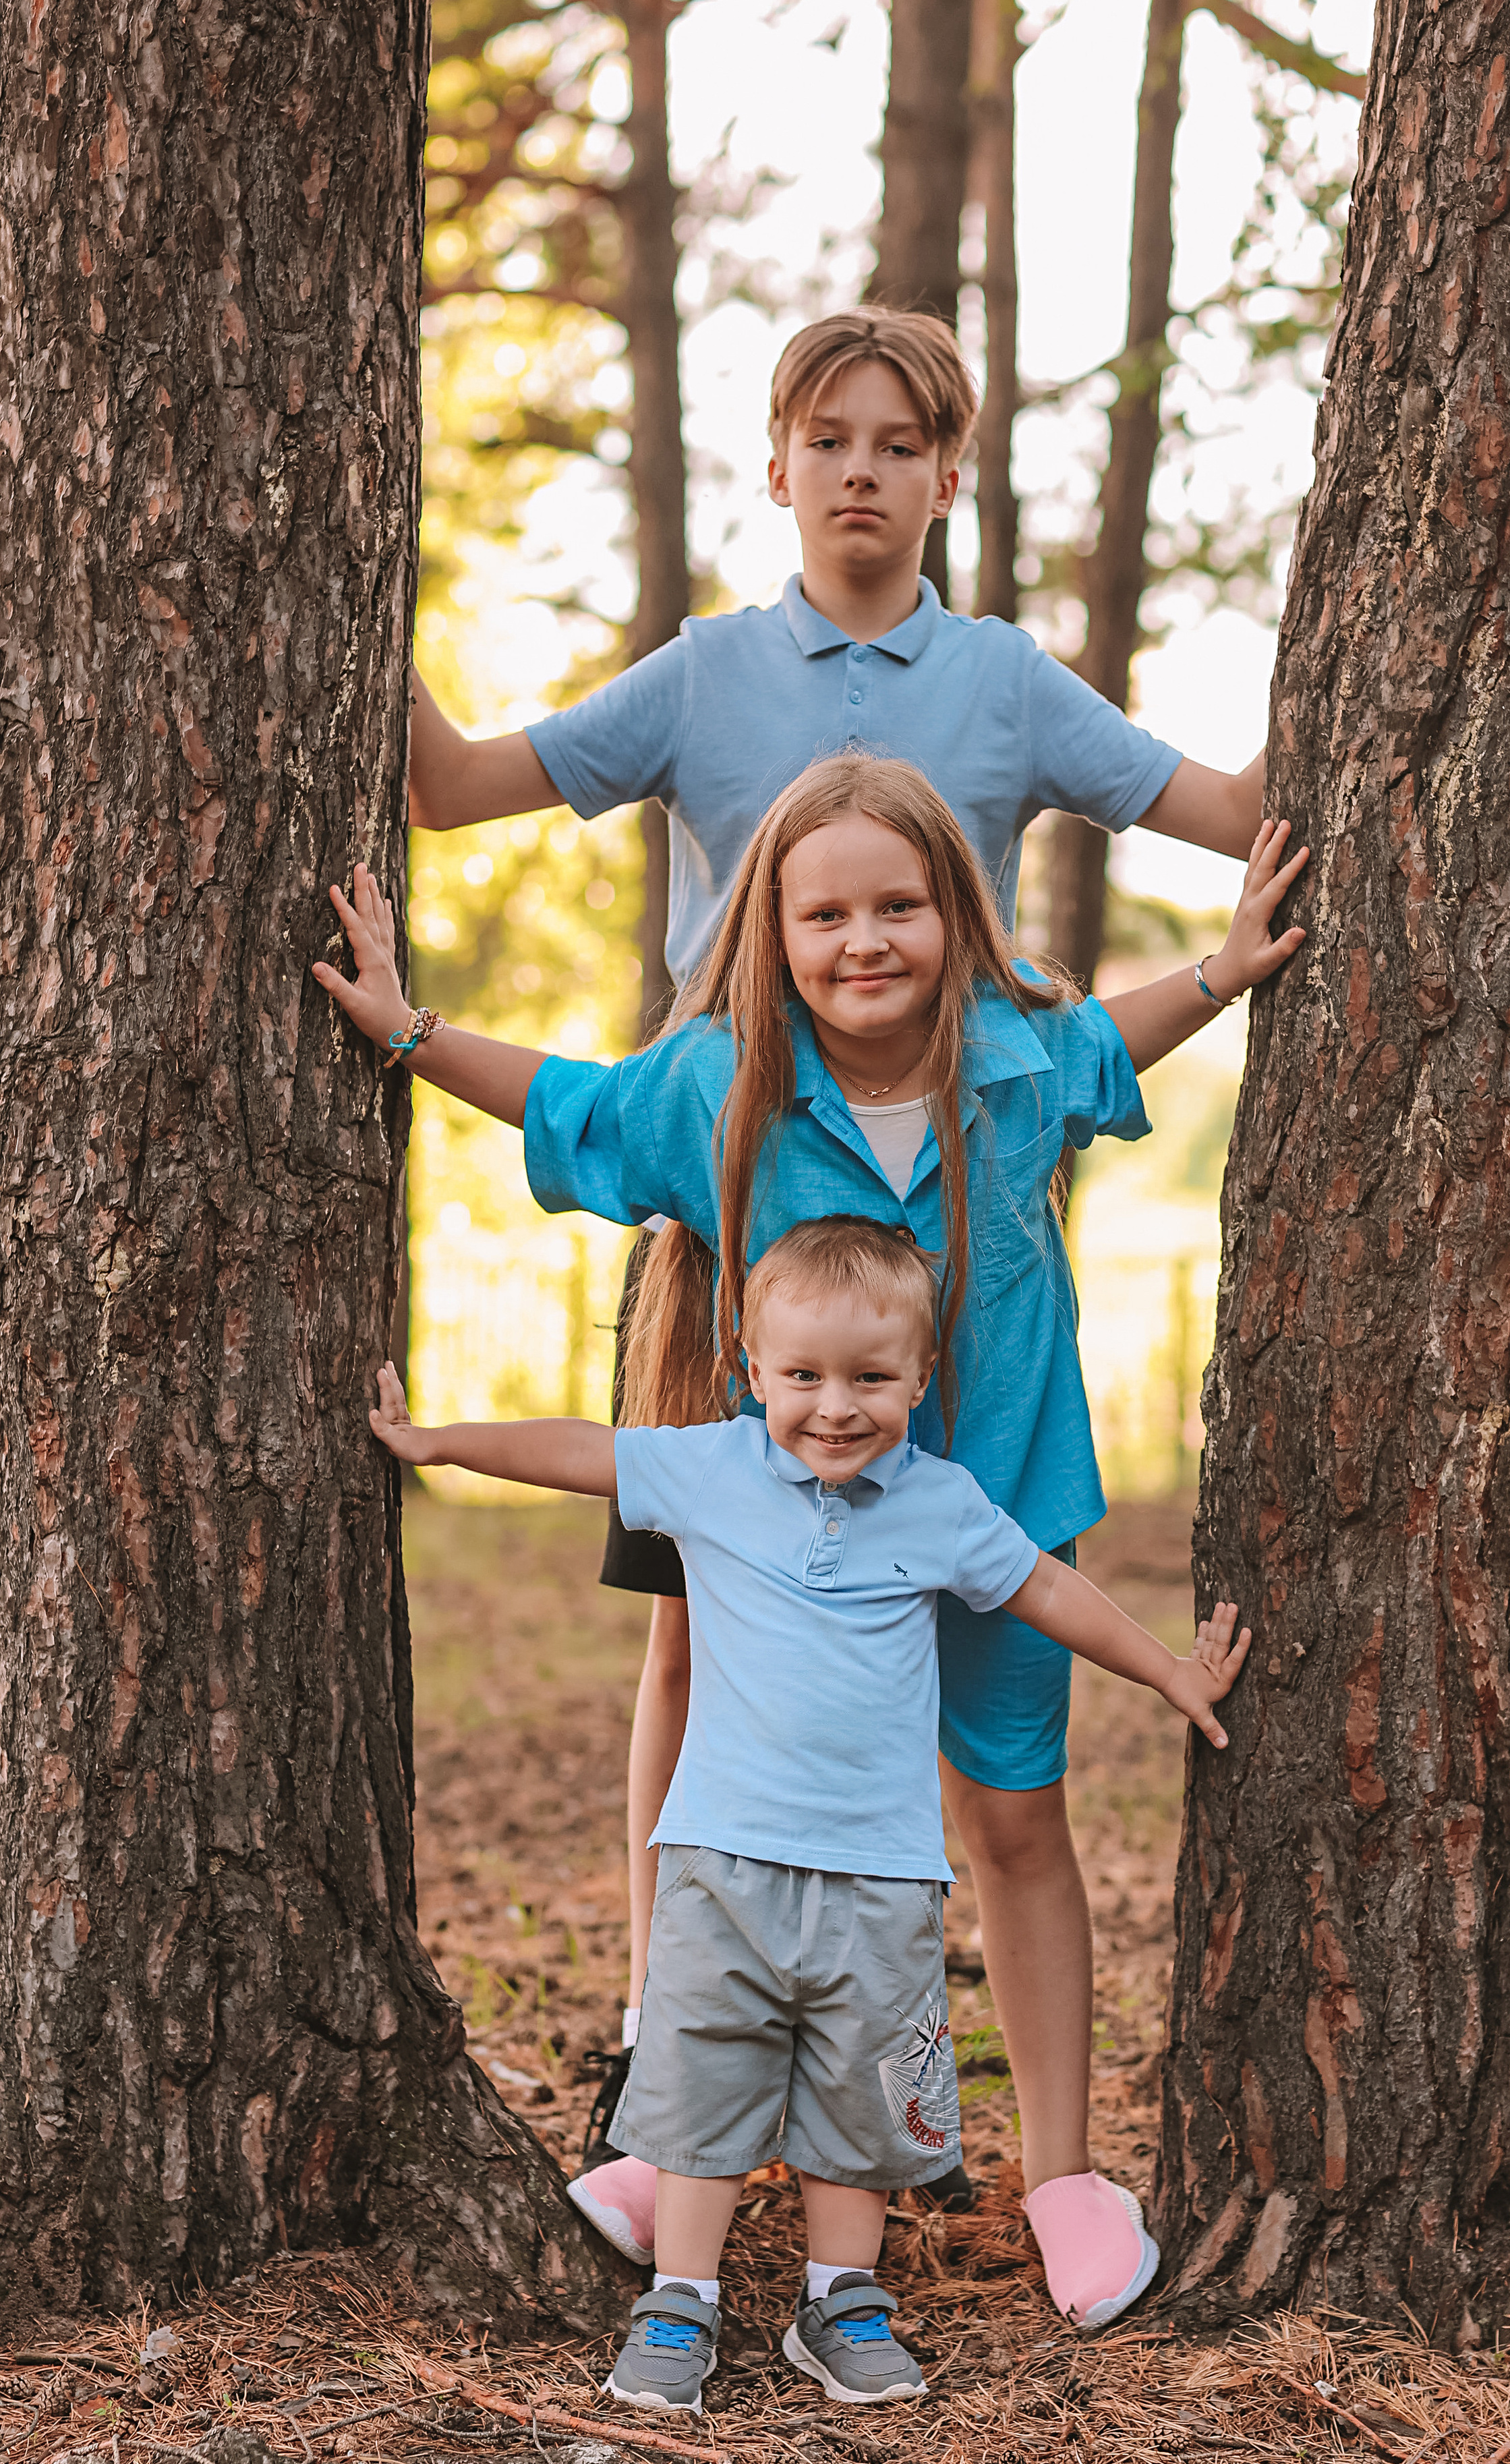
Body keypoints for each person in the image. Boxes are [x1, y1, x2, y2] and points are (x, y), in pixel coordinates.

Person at [403, 307, 1271, 2158]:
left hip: (949, 1216)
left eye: (900, 442)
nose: (863, 469)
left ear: (951, 475)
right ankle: (670, 2035)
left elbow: (1234, 815)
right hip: (729, 1207)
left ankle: (1021, 2144)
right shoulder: (706, 676)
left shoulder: (1011, 686)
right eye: (830, 438)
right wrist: (349, 563)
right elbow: (455, 785)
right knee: (698, 1651)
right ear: (779, 466)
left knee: (970, 1667)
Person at [312, 751, 1306, 2328]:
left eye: (898, 904)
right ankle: (670, 2133)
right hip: (791, 1529)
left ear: (952, 913)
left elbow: (1117, 1047)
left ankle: (1057, 2171)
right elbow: (567, 1101)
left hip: (990, 1507)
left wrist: (1222, 971)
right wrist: (412, 1033)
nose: (865, 940)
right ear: (771, 929)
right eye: (824, 911)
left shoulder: (1019, 1058)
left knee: (1010, 1818)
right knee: (735, 1827)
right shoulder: (722, 1082)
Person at [368, 1215, 1251, 2410]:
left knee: (860, 2097)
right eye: (804, 1378)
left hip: (881, 1876)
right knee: (700, 2084)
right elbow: (582, 1450)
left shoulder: (941, 1505)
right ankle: (681, 2302)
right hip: (719, 1863)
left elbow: (1050, 1589)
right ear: (751, 1366)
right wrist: (436, 1444)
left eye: (872, 1379)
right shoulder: (713, 1469)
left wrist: (1169, 1672)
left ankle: (840, 2299)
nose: (836, 1408)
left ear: (921, 1379)